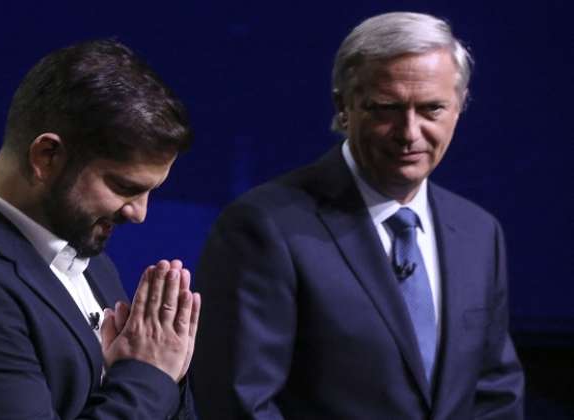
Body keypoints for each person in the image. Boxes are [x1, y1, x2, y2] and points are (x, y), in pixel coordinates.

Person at [192, 12, 524, 419]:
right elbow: (240, 403)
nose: (409, 132)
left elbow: (495, 393)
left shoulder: (478, 232)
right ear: (343, 106)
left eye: (432, 109)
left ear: (460, 106)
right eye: (386, 108)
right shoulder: (264, 227)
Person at [0, 39, 201, 420]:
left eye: (150, 192)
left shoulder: (89, 259)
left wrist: (165, 370)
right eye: (124, 187)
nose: (140, 214)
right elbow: (143, 387)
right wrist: (150, 375)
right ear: (47, 156)